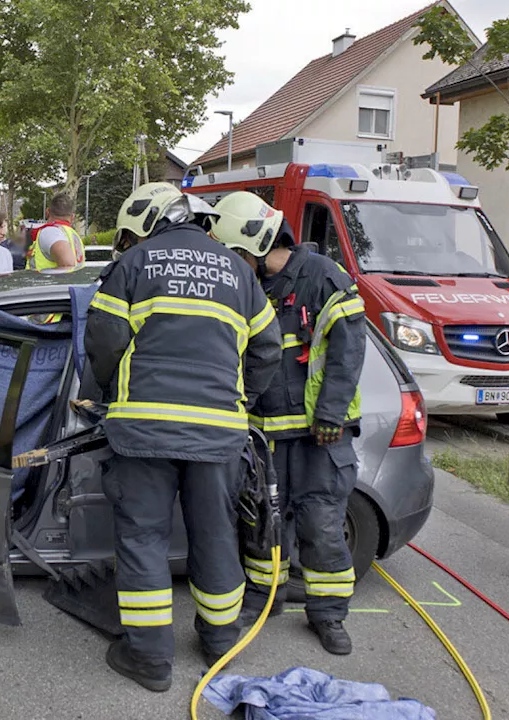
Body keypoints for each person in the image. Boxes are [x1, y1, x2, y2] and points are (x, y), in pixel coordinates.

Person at [84, 182, 281, 691]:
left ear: (149, 222)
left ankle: (149, 660)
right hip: (218, 435)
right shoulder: (239, 271)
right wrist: (242, 402)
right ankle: (221, 642)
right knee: (216, 535)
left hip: (144, 428)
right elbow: (267, 349)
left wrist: (108, 393)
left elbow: (103, 341)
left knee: (144, 539)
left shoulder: (134, 265)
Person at [211, 191, 366, 657]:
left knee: (320, 524)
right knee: (260, 524)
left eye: (236, 254)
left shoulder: (322, 277)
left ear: (252, 246)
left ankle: (330, 615)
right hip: (263, 434)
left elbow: (348, 351)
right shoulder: (251, 285)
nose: (233, 263)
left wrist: (331, 414)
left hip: (319, 434)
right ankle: (264, 599)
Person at [30, 192, 85, 271]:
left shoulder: (51, 232)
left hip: (48, 282)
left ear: (47, 212)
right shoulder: (72, 234)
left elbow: (68, 264)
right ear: (72, 217)